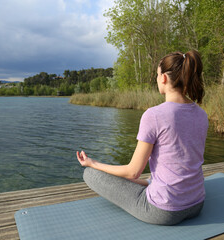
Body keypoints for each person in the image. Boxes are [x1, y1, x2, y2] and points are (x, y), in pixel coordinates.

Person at [76, 50, 208, 225]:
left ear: (164, 78)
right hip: (197, 204)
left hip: (164, 211)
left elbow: (133, 171)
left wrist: (92, 163)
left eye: (157, 74)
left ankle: (96, 169)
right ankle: (151, 184)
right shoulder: (201, 114)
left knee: (90, 174)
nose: (156, 78)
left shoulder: (154, 115)